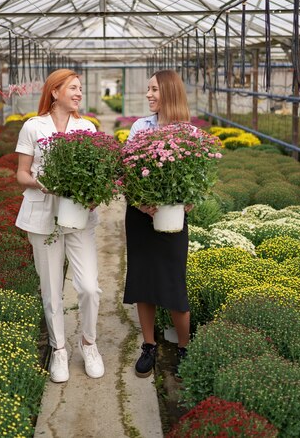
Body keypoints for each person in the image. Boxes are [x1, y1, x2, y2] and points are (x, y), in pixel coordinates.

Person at [15, 68, 104, 383]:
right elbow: (21, 174)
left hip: (79, 218)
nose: (79, 93)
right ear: (54, 92)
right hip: (41, 217)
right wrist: (42, 183)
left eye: (81, 89)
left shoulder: (87, 128)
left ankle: (88, 344)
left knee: (90, 288)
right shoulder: (33, 126)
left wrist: (94, 195)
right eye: (74, 88)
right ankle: (60, 350)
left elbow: (97, 174)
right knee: (52, 291)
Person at [123, 69, 193, 378]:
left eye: (154, 90)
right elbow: (125, 173)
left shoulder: (188, 134)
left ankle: (184, 347)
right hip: (140, 217)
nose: (149, 95)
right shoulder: (140, 127)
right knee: (143, 281)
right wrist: (141, 203)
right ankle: (149, 345)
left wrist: (187, 201)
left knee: (174, 283)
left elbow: (197, 184)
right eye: (148, 89)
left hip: (173, 219)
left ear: (170, 93)